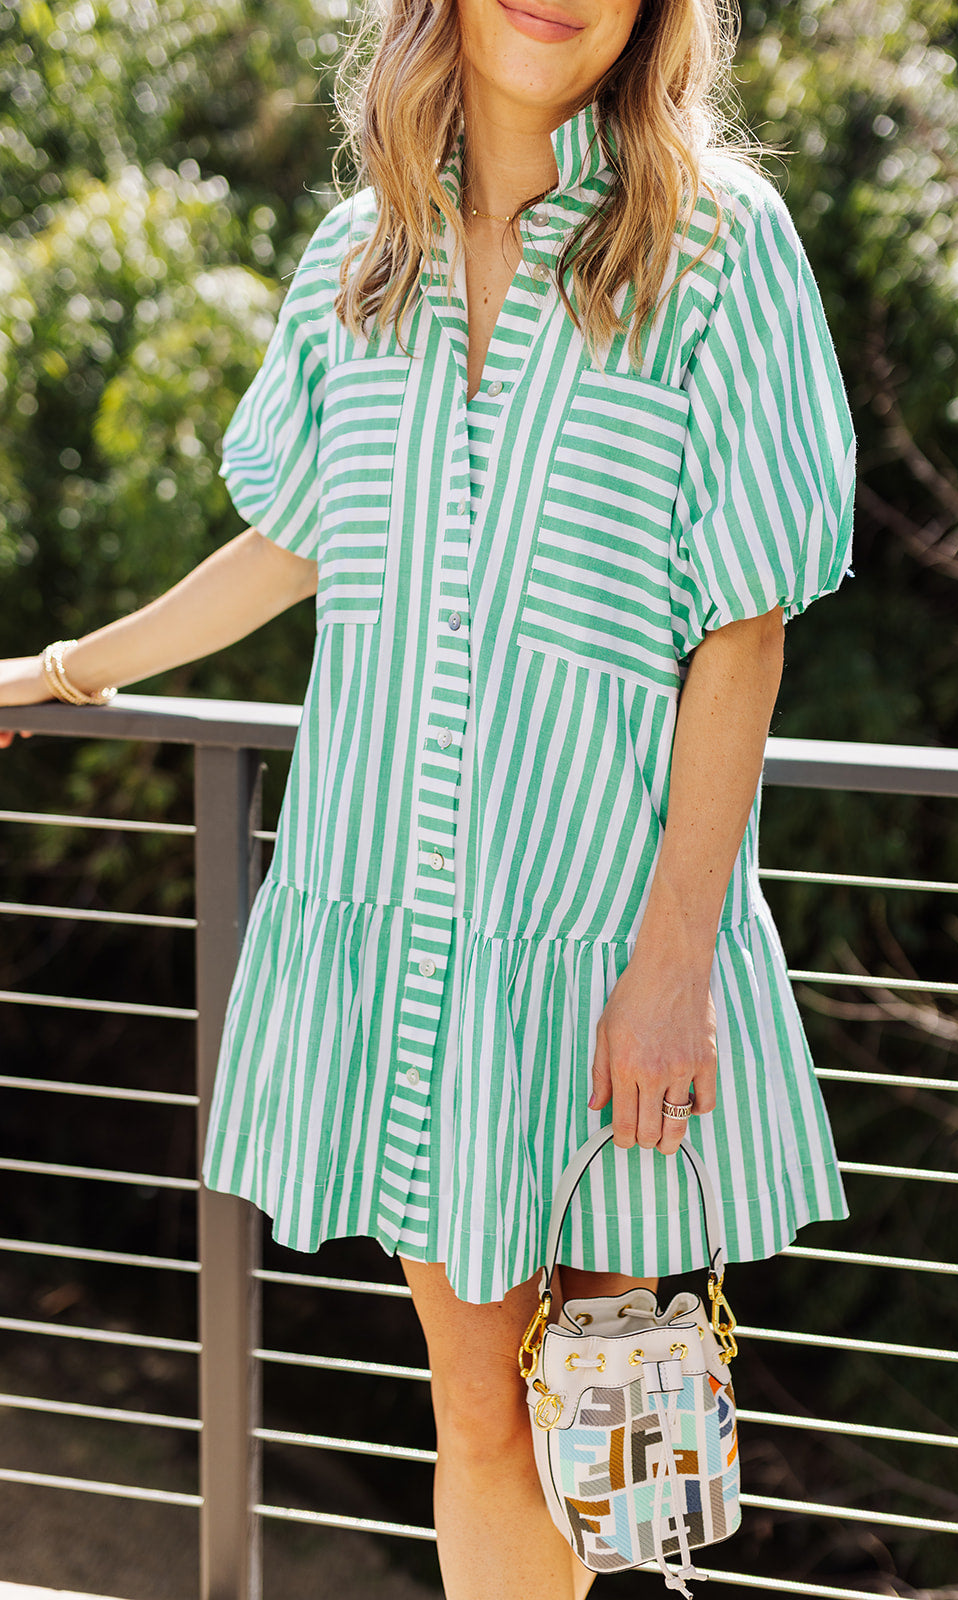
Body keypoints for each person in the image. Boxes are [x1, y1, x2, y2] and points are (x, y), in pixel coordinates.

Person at [0, 0, 856, 1591]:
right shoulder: (361, 254)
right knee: (480, 1423)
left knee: (612, 1409)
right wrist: (59, 671)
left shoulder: (717, 245)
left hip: (601, 941)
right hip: (403, 933)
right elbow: (293, 542)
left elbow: (744, 631)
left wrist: (672, 966)